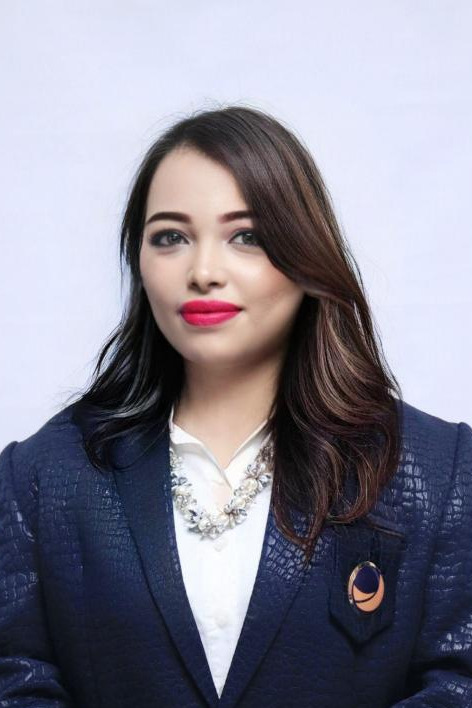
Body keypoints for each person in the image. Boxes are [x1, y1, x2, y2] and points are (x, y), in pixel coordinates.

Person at [0, 105, 471, 708]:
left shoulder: (436, 470)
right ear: (138, 261)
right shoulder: (42, 476)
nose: (203, 272)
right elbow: (17, 681)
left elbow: (458, 683)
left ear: (306, 256)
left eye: (245, 236)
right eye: (170, 237)